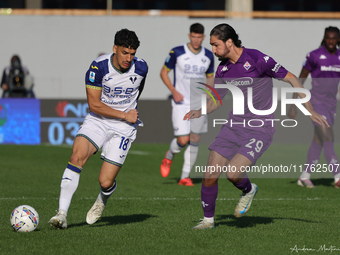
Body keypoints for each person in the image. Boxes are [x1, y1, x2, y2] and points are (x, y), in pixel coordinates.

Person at [184, 23, 328, 229]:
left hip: (260, 129)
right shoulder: (223, 68)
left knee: (233, 174)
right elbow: (217, 99)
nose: (213, 50)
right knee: (209, 176)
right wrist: (201, 110)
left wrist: (309, 110)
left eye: (216, 45)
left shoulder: (257, 59)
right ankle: (208, 221)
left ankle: (249, 190)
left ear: (229, 42)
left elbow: (292, 79)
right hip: (232, 127)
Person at [49, 28, 148, 229]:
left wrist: (129, 115)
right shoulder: (98, 67)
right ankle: (61, 214)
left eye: (132, 54)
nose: (128, 58)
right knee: (76, 157)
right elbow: (94, 105)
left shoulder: (142, 68)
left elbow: (138, 91)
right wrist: (125, 113)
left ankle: (102, 200)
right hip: (98, 120)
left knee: (105, 181)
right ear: (115, 48)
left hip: (124, 128)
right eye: (124, 53)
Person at [160, 23, 215, 186]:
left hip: (198, 104)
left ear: (203, 37)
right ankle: (169, 156)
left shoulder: (208, 55)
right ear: (189, 36)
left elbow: (210, 76)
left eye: (199, 37)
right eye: (194, 36)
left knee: (195, 138)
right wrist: (173, 90)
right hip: (181, 102)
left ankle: (185, 176)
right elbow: (163, 72)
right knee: (183, 140)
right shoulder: (177, 52)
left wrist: (208, 94)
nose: (196, 40)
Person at [288, 26, 340, 188]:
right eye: (328, 38)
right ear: (324, 38)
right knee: (328, 137)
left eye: (334, 38)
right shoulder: (314, 55)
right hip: (315, 103)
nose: (330, 41)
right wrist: (293, 103)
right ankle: (338, 177)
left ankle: (304, 176)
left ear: (338, 39)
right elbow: (300, 79)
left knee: (319, 140)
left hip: (332, 104)